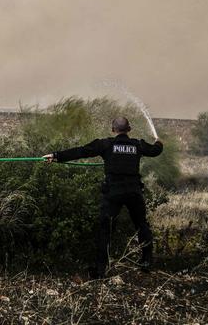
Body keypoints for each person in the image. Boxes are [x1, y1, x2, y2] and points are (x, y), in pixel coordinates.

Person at [43, 117, 163, 279]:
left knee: (105, 230)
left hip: (113, 193)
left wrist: (56, 156)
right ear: (129, 129)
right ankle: (147, 262)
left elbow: (81, 151)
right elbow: (155, 151)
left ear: (113, 130)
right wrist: (158, 142)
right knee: (141, 225)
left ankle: (100, 270)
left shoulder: (106, 144)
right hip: (134, 192)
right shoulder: (138, 145)